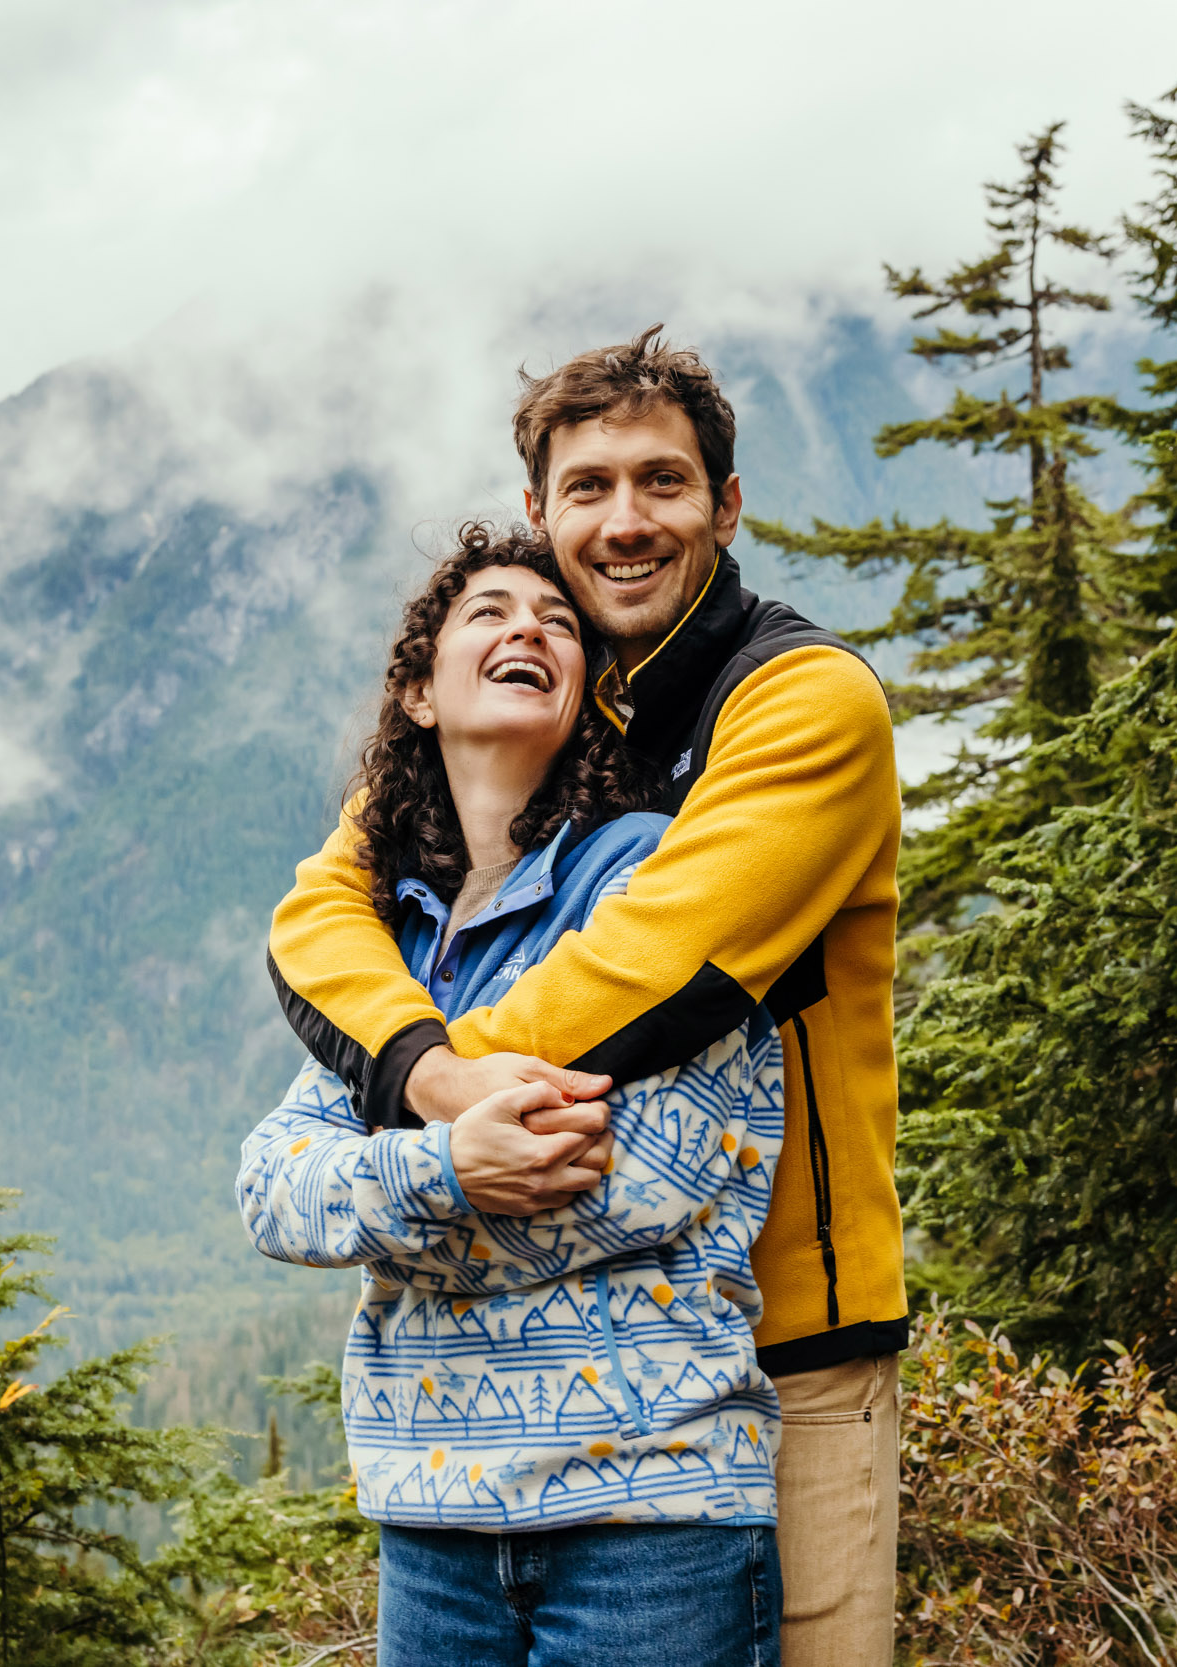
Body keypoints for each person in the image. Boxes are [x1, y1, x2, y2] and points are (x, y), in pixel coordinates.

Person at [268, 327, 905, 1664]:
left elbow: (649, 977)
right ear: (543, 518)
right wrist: (439, 1105)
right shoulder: (552, 714)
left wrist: (389, 1141)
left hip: (785, 1345)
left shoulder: (799, 700)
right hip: (507, 1439)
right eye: (590, 488)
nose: (627, 520)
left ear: (726, 509)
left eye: (664, 483)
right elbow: (321, 913)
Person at [240, 525, 786, 1667]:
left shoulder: (649, 876)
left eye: (554, 621)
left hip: (649, 1514)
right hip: (431, 1526)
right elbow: (271, 1186)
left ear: (588, 693)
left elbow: (640, 1181)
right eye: (487, 611)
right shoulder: (387, 942)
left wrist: (383, 1201)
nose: (527, 627)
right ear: (418, 692)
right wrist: (447, 1163)